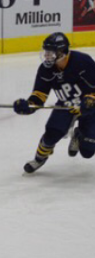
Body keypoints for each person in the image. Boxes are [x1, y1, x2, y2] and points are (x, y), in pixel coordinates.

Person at [13, 32, 95, 173]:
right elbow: (39, 95)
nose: (47, 55)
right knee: (51, 135)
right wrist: (28, 106)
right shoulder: (45, 69)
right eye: (46, 52)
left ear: (62, 52)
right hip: (66, 105)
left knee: (87, 152)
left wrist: (90, 100)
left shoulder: (83, 62)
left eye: (51, 52)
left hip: (89, 107)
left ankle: (79, 134)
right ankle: (39, 159)